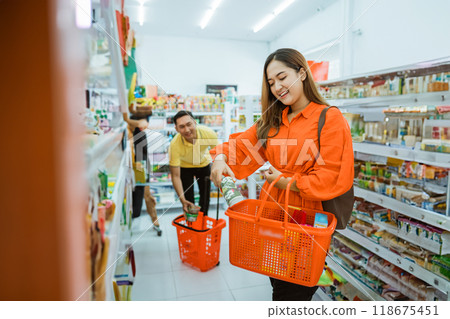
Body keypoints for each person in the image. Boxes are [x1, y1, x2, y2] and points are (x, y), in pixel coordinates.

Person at [210, 48, 354, 301]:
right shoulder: (273, 120)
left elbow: (333, 175)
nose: (277, 86)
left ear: (301, 73)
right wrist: (220, 158)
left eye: (282, 77)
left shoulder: (329, 118)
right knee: (278, 281)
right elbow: (242, 146)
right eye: (271, 82)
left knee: (293, 291)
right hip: (273, 216)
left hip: (308, 220)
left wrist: (290, 182)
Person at [169, 111, 218, 215]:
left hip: (203, 165)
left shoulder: (209, 134)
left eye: (189, 124)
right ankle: (191, 224)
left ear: (195, 122)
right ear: (176, 129)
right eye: (181, 127)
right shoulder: (174, 145)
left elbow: (218, 155)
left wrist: (215, 170)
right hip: (185, 168)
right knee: (188, 199)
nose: (186, 130)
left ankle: (203, 223)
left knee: (205, 199)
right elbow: (175, 176)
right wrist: (182, 200)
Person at [123, 104, 162, 236]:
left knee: (146, 194)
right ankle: (134, 220)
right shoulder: (132, 126)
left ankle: (155, 221)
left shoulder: (137, 127)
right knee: (135, 194)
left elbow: (142, 123)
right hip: (135, 165)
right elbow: (138, 122)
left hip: (141, 165)